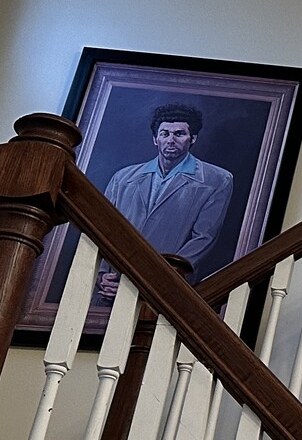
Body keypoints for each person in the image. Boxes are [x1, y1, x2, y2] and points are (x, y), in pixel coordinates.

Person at [96, 102, 233, 297]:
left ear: (193, 138)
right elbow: (103, 229)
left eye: (179, 134)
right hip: (113, 284)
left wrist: (159, 278)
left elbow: (203, 238)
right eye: (165, 134)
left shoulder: (217, 179)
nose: (171, 140)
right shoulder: (123, 177)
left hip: (166, 288)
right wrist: (101, 274)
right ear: (155, 139)